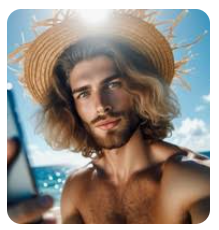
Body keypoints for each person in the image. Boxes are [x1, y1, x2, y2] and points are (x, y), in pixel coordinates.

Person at [8, 10, 210, 224]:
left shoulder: (192, 178)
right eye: (84, 93)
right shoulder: (76, 189)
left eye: (112, 84)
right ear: (71, 108)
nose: (101, 106)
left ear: (140, 89)